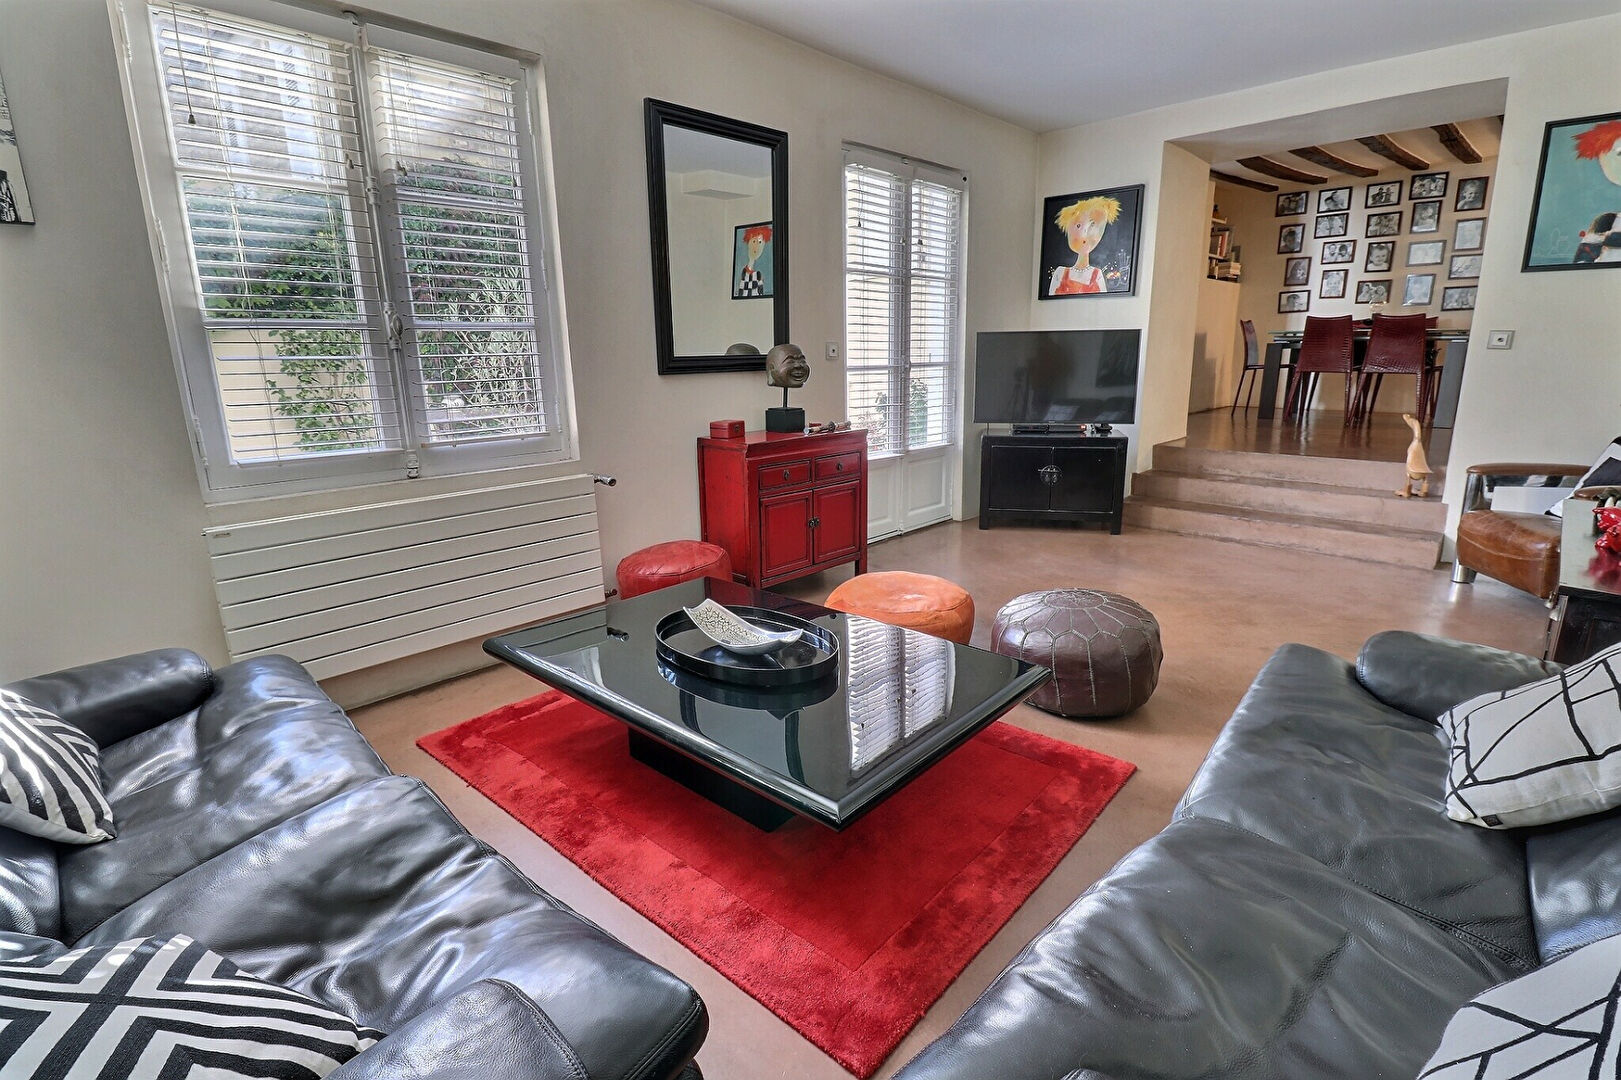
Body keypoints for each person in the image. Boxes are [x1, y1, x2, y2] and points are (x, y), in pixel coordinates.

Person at [1049, 195, 1120, 295]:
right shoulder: (1060, 273)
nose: (1085, 233)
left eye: (1092, 226)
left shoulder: (1097, 275)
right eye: (1079, 226)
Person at [737, 224, 771, 297]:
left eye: (760, 242)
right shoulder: (743, 273)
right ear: (748, 242)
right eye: (754, 241)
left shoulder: (759, 274)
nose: (756, 246)